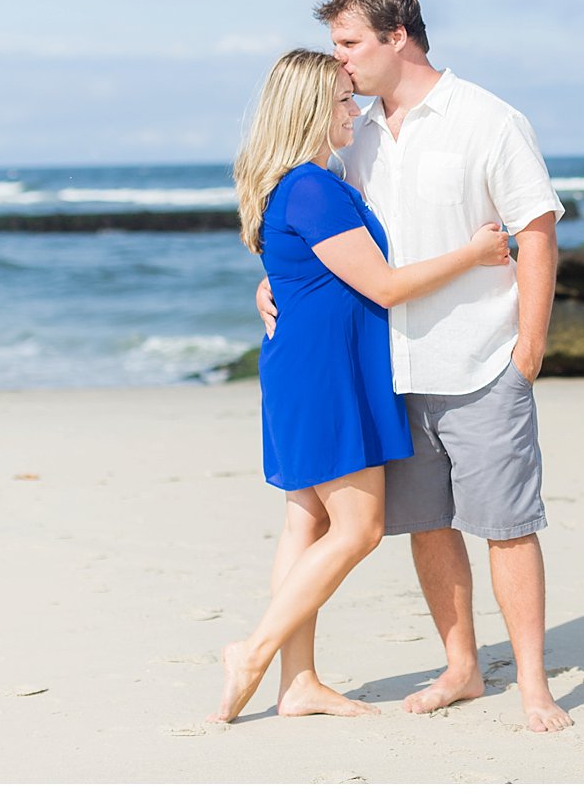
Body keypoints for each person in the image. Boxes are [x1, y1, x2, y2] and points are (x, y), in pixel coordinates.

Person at [258, 0, 574, 732]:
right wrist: (269, 284)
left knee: (505, 524)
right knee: (429, 527)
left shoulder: (488, 120)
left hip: (480, 360)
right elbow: (315, 237)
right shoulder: (351, 132)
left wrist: (527, 349)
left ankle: (533, 685)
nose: (340, 62)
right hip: (385, 373)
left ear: (397, 36)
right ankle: (461, 667)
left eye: (349, 43)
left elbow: (535, 230)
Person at [214, 48, 510, 724]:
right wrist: (473, 253)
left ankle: (297, 683)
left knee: (306, 518)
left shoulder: (297, 182)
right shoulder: (313, 187)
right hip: (327, 374)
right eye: (343, 101)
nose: (356, 110)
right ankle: (255, 651)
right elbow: (380, 284)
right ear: (313, 111)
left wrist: (273, 284)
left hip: (307, 366)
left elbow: (305, 272)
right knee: (360, 526)